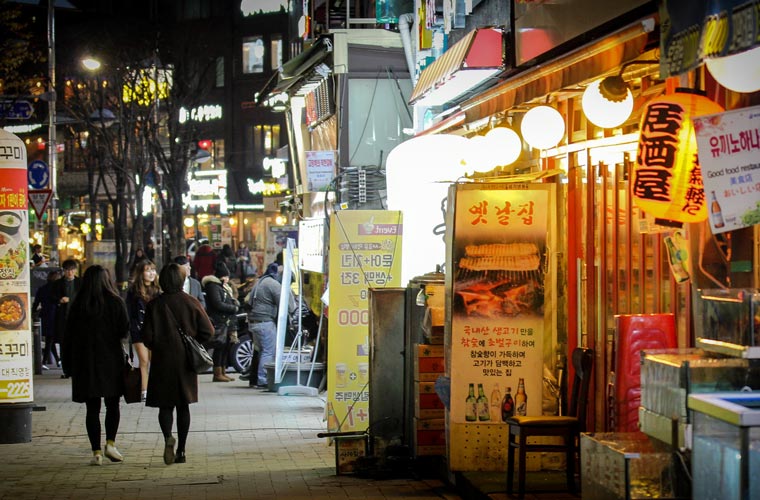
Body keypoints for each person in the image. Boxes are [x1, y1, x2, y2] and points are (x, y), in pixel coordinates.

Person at [141, 263, 214, 465]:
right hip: (185, 362)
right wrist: (193, 340)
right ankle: (181, 450)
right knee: (183, 406)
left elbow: (146, 337)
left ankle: (167, 438)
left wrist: (159, 344)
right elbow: (209, 331)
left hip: (162, 361)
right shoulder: (191, 302)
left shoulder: (154, 305)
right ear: (182, 280)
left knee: (165, 406)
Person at [61, 265, 129, 466]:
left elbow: (68, 337)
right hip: (111, 361)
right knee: (113, 404)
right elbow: (124, 331)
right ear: (106, 280)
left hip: (85, 363)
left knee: (92, 408)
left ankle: (96, 452)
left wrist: (68, 366)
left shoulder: (78, 305)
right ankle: (110, 443)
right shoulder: (116, 302)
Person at [245, 262, 295, 388]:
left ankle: (257, 379)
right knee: (268, 352)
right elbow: (287, 305)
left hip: (254, 322)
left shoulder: (261, 281)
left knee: (262, 351)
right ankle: (263, 380)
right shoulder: (273, 284)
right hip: (264, 322)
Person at [126, 260, 161, 402]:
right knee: (144, 361)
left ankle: (156, 388)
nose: (151, 273)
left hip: (155, 330)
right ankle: (144, 390)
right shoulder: (133, 291)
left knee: (156, 361)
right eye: (147, 270)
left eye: (153, 270)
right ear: (141, 273)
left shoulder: (158, 290)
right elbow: (129, 312)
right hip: (139, 330)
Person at [202, 263, 239, 382]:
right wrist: (233, 308)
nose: (228, 279)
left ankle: (222, 371)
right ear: (222, 276)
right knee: (219, 346)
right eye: (226, 276)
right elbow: (217, 303)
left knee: (225, 347)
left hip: (226, 321)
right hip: (219, 321)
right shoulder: (213, 286)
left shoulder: (221, 286)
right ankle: (217, 373)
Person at [52, 259, 82, 379]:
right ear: (63, 271)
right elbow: (51, 298)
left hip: (78, 320)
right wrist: (59, 300)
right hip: (63, 319)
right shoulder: (58, 284)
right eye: (67, 270)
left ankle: (77, 369)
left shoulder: (81, 282)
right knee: (64, 345)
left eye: (72, 270)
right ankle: (66, 370)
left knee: (78, 345)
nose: (70, 272)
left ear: (75, 270)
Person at [32, 270, 62, 369]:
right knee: (51, 339)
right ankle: (44, 361)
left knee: (50, 339)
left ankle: (57, 360)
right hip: (56, 315)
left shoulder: (42, 288)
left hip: (45, 315)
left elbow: (36, 303)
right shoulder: (58, 288)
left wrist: (33, 313)